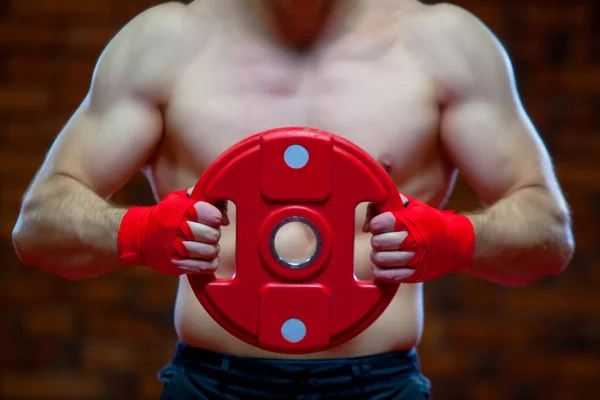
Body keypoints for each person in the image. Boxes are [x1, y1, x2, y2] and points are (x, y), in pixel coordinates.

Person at [12, 0, 574, 399]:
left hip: (377, 385)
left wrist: (456, 238)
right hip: (213, 385)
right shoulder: (165, 43)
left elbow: (549, 234)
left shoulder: (444, 44)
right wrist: (138, 233)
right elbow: (38, 227)